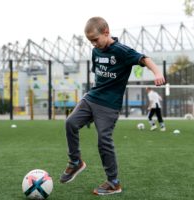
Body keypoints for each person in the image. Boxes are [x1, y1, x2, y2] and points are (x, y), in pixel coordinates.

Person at [59, 16, 165, 195]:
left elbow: (145, 59)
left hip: (109, 105)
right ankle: (75, 162)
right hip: (91, 97)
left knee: (103, 141)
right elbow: (99, 76)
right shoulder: (96, 51)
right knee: (70, 123)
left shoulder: (122, 51)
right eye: (90, 41)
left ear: (106, 32)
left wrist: (157, 72)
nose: (93, 44)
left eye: (95, 39)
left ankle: (113, 182)